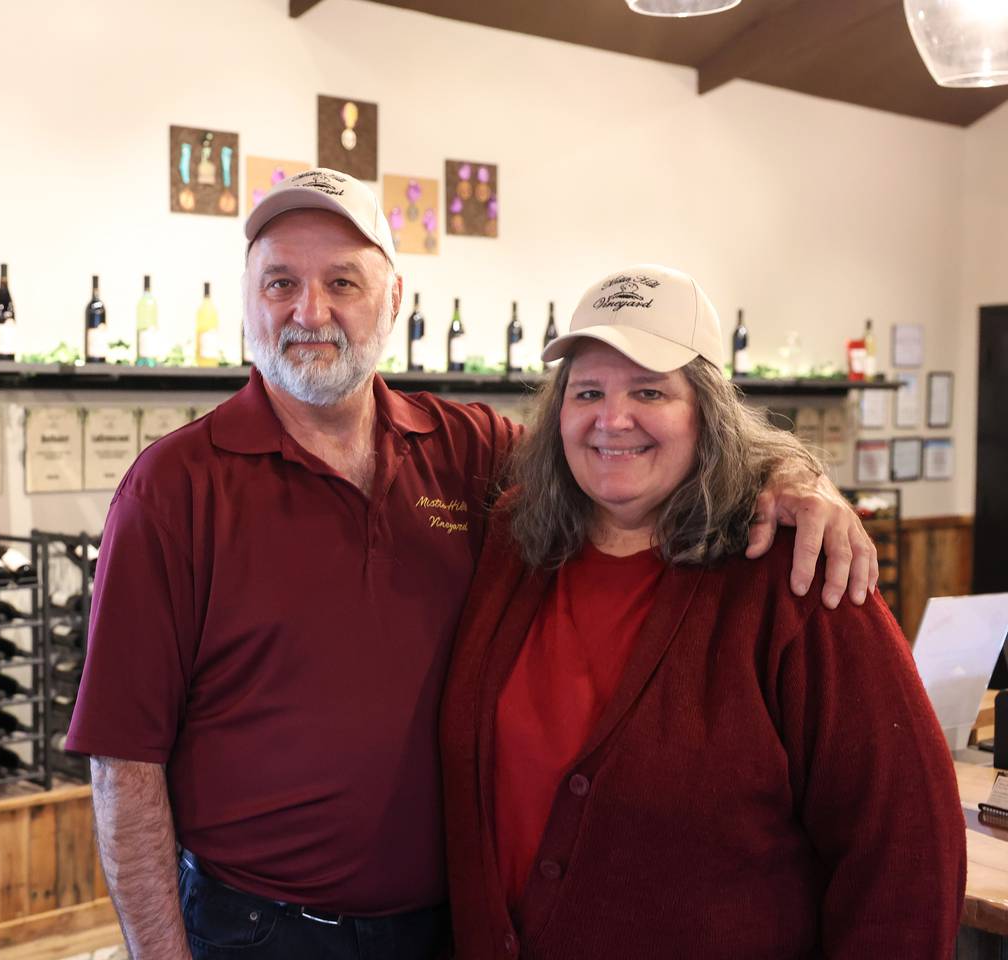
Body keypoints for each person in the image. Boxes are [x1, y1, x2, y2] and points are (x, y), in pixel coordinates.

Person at [65, 171, 879, 960]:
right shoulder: (172, 490)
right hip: (257, 932)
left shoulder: (468, 450)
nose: (310, 311)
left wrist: (795, 477)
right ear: (247, 300)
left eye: (342, 282)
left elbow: (615, 454)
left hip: (449, 928)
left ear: (393, 300)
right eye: (281, 283)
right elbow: (124, 764)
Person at [439, 265, 965, 959]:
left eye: (649, 390)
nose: (611, 419)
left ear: (707, 413)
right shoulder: (514, 540)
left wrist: (795, 471)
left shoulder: (796, 572)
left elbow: (905, 847)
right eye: (587, 391)